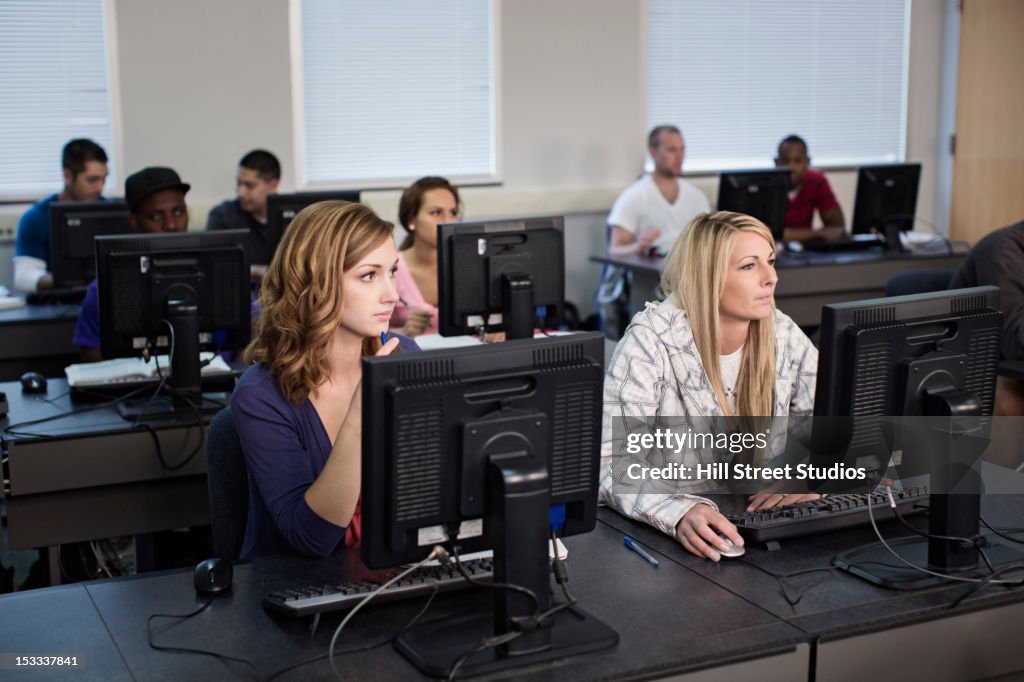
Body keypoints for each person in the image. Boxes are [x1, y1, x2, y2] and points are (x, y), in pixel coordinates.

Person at [599, 211, 819, 561]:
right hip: (678, 543)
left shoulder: (782, 332)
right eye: (749, 266)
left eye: (771, 262)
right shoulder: (650, 342)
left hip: (760, 525)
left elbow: (832, 425)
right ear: (708, 277)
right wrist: (677, 512)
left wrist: (808, 475)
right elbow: (610, 462)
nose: (771, 278)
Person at [232, 201, 419, 558]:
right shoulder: (260, 394)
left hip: (391, 572)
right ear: (317, 281)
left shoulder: (403, 354)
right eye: (369, 275)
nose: (392, 295)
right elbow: (312, 538)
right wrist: (361, 414)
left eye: (392, 272)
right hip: (298, 592)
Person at [72, 167, 191, 361]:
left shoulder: (223, 272)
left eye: (178, 212)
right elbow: (91, 359)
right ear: (134, 221)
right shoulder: (103, 288)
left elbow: (250, 338)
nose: (171, 225)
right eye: (157, 216)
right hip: (135, 388)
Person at [950, 219, 1024, 416]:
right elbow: (1014, 342)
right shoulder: (1003, 250)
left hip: (1007, 365)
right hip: (975, 368)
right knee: (1010, 393)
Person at [14, 139, 109, 292]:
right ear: (67, 176)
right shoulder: (36, 218)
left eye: (104, 179)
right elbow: (23, 278)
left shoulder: (110, 212)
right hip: (58, 304)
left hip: (102, 302)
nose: (100, 188)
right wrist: (70, 279)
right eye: (92, 180)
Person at [606, 125, 711, 258]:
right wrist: (638, 247)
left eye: (682, 149)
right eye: (672, 150)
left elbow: (709, 240)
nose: (680, 156)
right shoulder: (634, 196)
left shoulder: (697, 197)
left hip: (688, 271)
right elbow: (615, 250)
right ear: (653, 152)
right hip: (650, 274)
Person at [389, 176, 461, 337]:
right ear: (411, 220)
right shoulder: (389, 269)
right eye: (436, 212)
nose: (448, 221)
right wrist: (402, 333)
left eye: (453, 213)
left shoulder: (469, 266)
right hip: (411, 359)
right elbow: (363, 337)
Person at [206, 149, 281, 277]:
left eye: (249, 186)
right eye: (239, 183)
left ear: (272, 186)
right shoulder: (222, 216)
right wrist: (258, 271)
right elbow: (211, 266)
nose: (240, 192)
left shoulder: (292, 217)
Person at [774, 135, 845, 243]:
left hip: (806, 253)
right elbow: (767, 235)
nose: (791, 167)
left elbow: (837, 228)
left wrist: (790, 235)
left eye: (797, 161)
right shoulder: (767, 185)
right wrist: (819, 234)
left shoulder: (816, 181)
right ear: (777, 163)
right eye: (785, 161)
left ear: (807, 162)